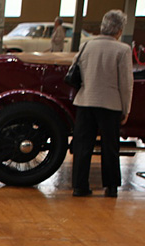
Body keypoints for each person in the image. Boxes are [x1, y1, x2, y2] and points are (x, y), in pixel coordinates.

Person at [71, 9, 133, 197]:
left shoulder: (86, 46)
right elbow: (126, 83)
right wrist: (126, 108)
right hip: (110, 105)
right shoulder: (122, 50)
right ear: (120, 30)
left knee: (83, 146)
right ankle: (111, 187)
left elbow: (76, 70)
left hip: (85, 101)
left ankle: (80, 187)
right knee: (110, 146)